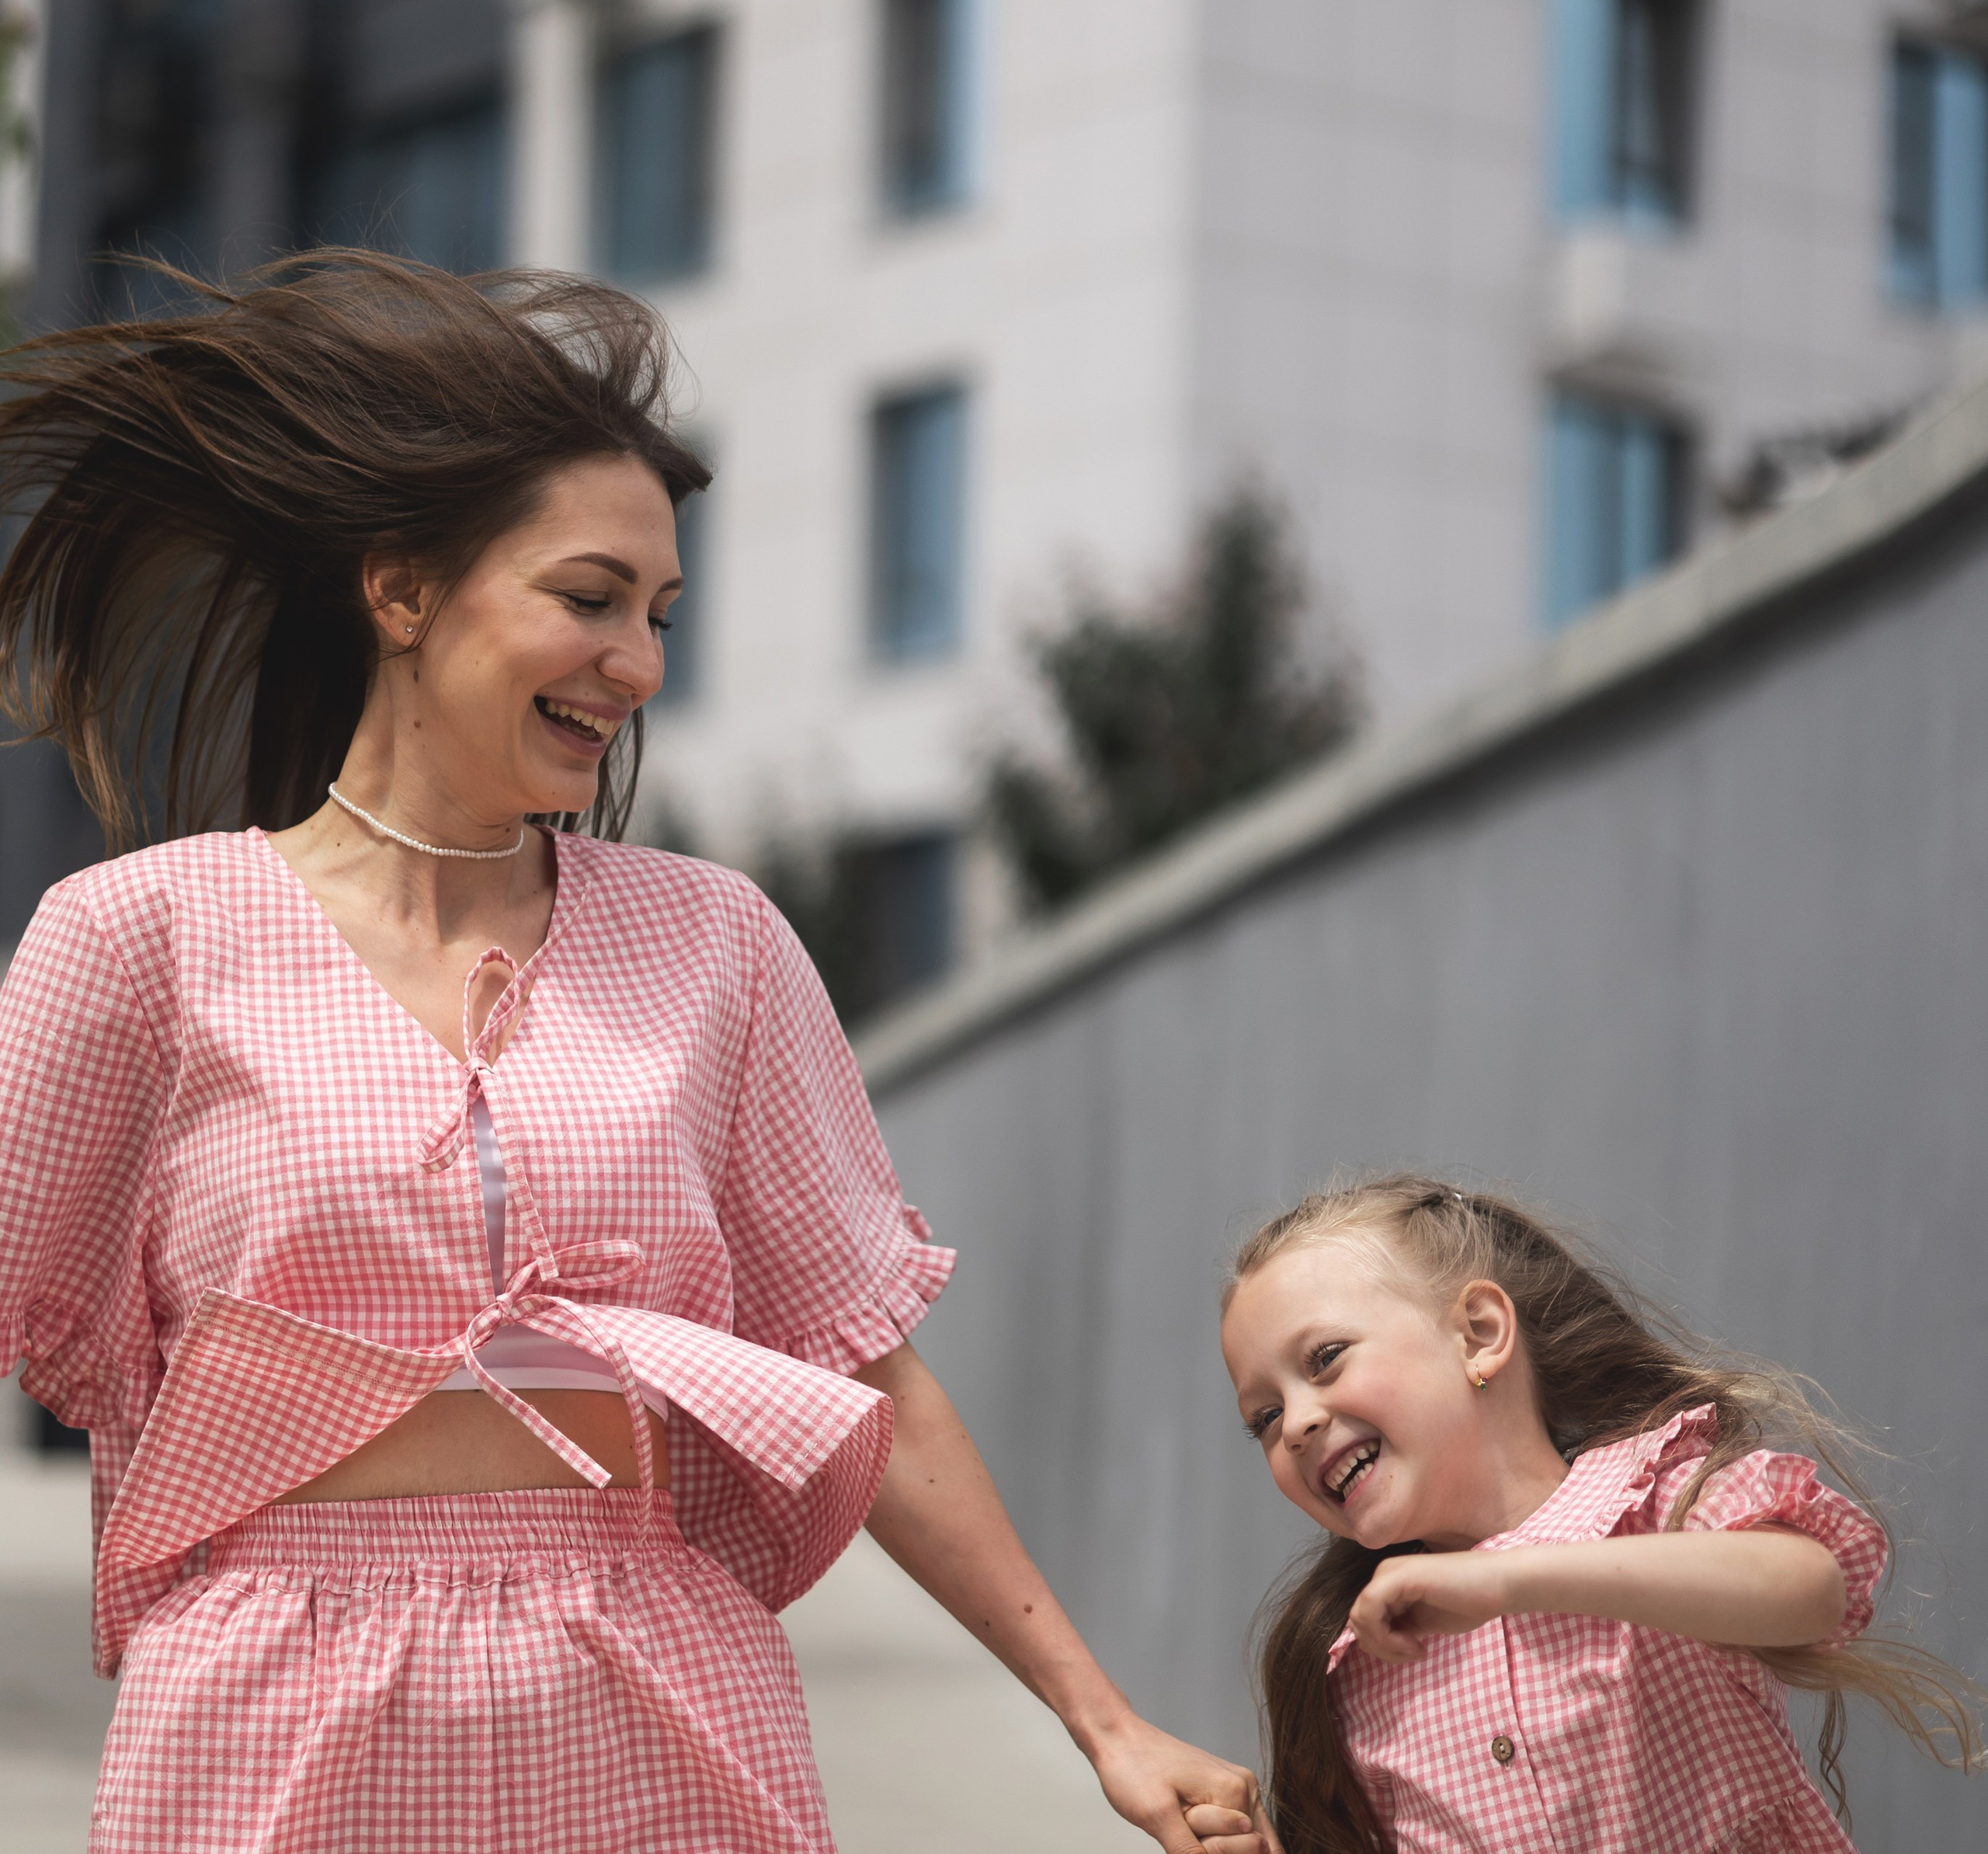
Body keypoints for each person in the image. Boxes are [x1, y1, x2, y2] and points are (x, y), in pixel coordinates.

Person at [0, 252, 1274, 1854]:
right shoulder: (140, 938)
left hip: (651, 1689)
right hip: (270, 1708)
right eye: (588, 596)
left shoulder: (716, 942)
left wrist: (1102, 1717)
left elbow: (858, 1362)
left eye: (660, 614)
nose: (640, 662)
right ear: (400, 590)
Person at [1218, 1174, 1982, 1854]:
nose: (1295, 1423)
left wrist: (1508, 1580)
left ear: (1478, 1334)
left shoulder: (1657, 1494)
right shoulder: (1357, 1657)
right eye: (1263, 1417)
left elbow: (1813, 1589)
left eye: (1324, 1359)